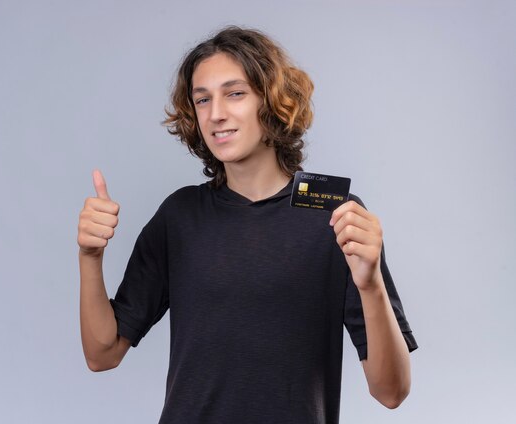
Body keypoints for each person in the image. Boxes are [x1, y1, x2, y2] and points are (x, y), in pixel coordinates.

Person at [77, 26, 417, 424]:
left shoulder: (336, 216)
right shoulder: (179, 216)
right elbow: (102, 354)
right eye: (202, 99)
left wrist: (370, 283)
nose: (216, 113)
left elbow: (391, 393)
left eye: (235, 93)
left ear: (272, 101)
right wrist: (90, 257)